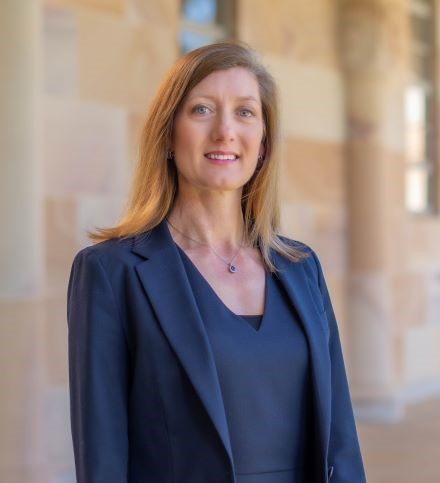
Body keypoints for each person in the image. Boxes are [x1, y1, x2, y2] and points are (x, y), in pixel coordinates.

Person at [67, 42, 366, 483]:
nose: (225, 131)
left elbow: (340, 438)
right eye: (202, 110)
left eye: (245, 112)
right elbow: (103, 459)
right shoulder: (112, 274)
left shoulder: (301, 268)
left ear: (263, 143)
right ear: (168, 134)